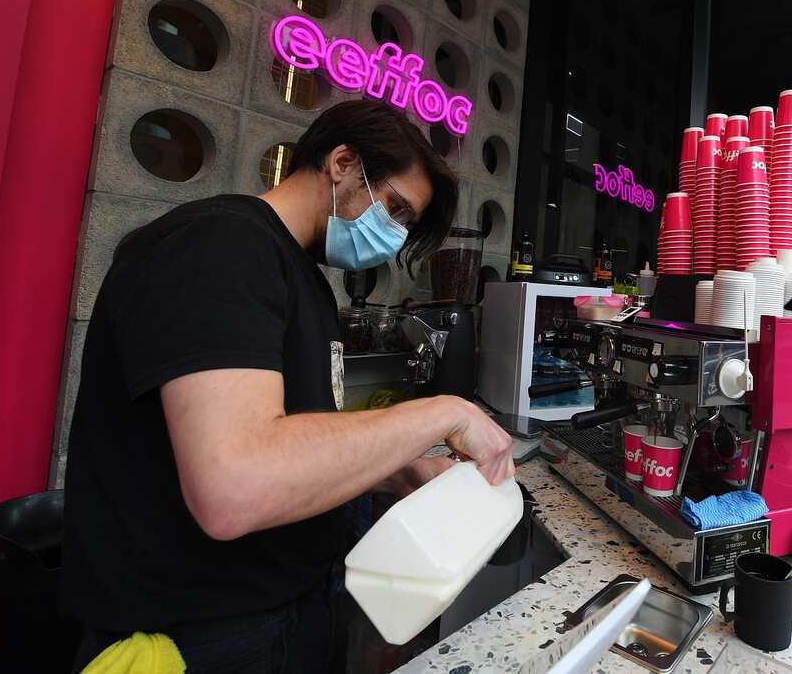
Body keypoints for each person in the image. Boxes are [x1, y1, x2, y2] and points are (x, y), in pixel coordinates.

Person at [61, 101, 514, 672]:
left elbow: (290, 439)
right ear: (343, 162)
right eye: (394, 209)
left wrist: (399, 469)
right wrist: (441, 413)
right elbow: (236, 485)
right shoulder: (218, 245)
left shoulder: (301, 277)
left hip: (279, 617)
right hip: (198, 639)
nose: (393, 239)